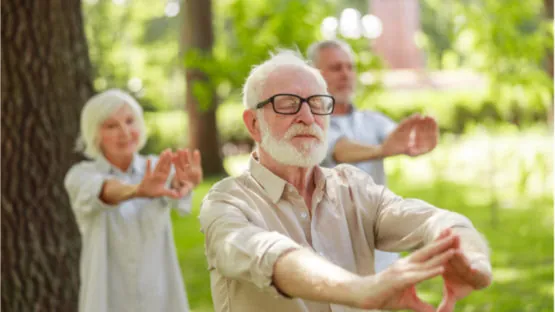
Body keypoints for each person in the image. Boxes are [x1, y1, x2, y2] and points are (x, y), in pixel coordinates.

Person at [199, 51, 492, 312]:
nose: (307, 116)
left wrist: (472, 259)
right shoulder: (226, 202)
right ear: (253, 123)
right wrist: (360, 290)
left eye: (317, 103)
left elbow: (434, 220)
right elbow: (270, 256)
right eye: (287, 104)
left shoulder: (353, 187)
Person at [64, 89, 203, 312]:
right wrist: (138, 190)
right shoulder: (80, 175)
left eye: (130, 121)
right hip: (109, 298)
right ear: (95, 133)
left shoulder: (158, 167)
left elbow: (177, 191)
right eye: (111, 125)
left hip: (160, 296)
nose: (125, 132)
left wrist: (184, 183)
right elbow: (105, 191)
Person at [307, 39, 439, 273]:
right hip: (330, 250)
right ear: (313, 76)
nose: (346, 74)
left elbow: (397, 138)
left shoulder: (372, 120)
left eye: (350, 67)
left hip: (378, 247)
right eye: (336, 68)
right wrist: (381, 150)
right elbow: (339, 150)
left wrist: (414, 142)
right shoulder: (308, 124)